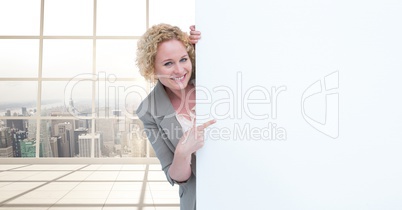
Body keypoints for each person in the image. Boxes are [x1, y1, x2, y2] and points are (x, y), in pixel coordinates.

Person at [135, 24, 215, 210]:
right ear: (152, 69)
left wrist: (208, 40)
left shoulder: (210, 77)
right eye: (168, 63)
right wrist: (182, 152)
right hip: (199, 199)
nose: (179, 70)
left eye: (183, 59)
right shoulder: (148, 110)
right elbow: (177, 177)